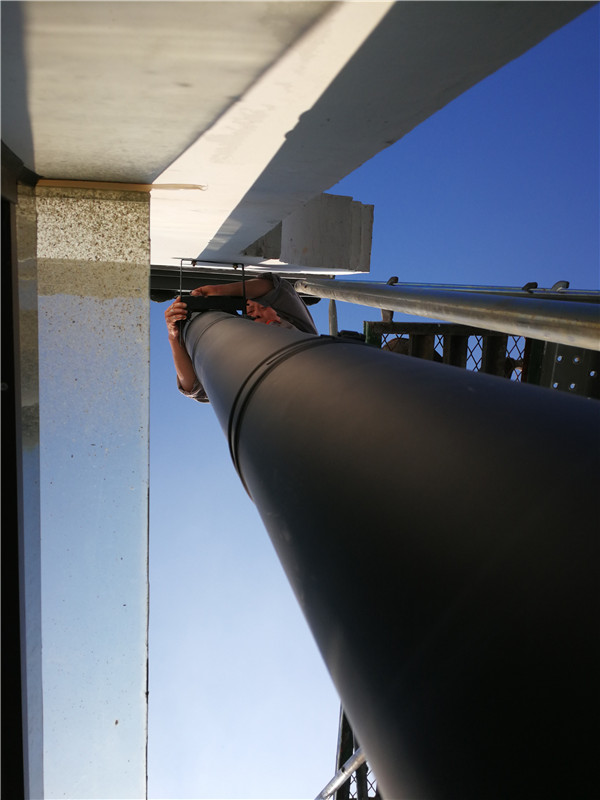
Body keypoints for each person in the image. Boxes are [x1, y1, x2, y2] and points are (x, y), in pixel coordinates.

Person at [165, 273, 318, 403]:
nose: (256, 312)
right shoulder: (308, 342)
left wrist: (174, 336)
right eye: (251, 311)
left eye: (262, 308)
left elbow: (193, 387)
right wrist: (218, 291)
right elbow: (275, 288)